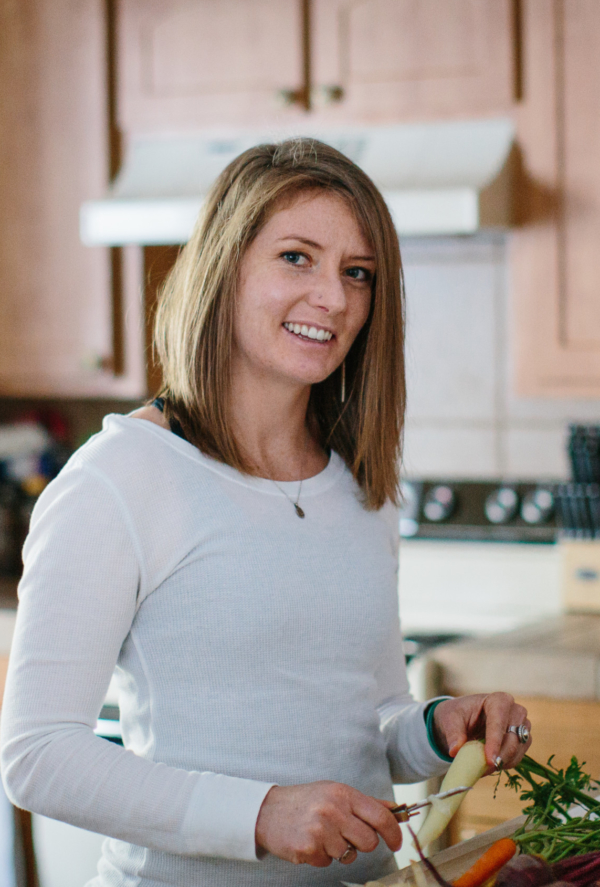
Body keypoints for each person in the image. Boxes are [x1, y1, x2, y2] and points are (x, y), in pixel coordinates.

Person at [0, 139, 532, 887]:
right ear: (226, 267)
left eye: (358, 273)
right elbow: (38, 756)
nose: (334, 298)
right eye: (296, 257)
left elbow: (365, 718)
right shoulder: (121, 478)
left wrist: (438, 729)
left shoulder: (359, 486)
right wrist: (261, 814)